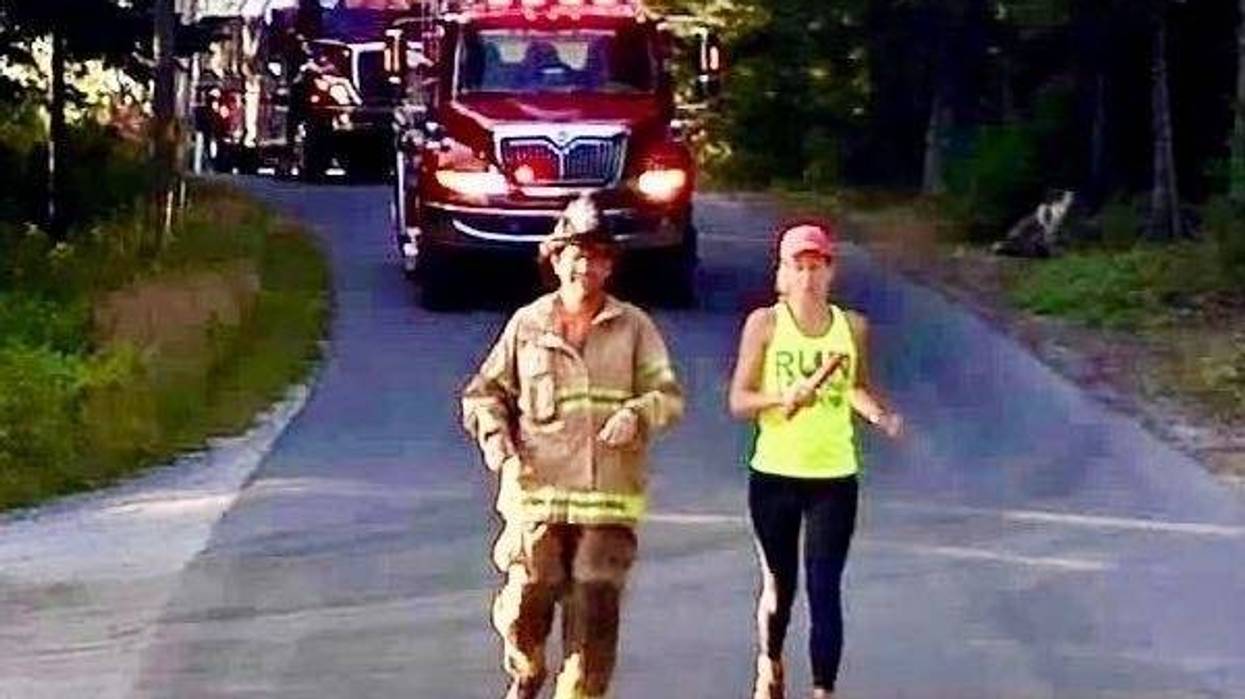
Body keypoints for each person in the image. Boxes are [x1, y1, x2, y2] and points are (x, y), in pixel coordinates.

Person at [461, 194, 684, 699]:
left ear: (610, 266)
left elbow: (668, 396)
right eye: (575, 255)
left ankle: (580, 692)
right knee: (528, 598)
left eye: (597, 256)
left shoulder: (634, 327)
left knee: (594, 598)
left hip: (608, 497)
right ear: (556, 260)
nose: (585, 266)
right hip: (537, 492)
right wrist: (500, 447)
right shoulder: (527, 326)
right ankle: (527, 667)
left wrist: (637, 413)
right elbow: (484, 394)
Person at [728, 221, 904, 699]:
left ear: (830, 272)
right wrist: (782, 397)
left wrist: (879, 416)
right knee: (781, 585)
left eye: (816, 266)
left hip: (833, 474)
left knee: (825, 587)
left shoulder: (852, 327)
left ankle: (823, 690)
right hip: (775, 474)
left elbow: (855, 387)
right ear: (781, 274)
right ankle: (770, 660)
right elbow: (739, 400)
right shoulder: (765, 324)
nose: (807, 277)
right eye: (797, 267)